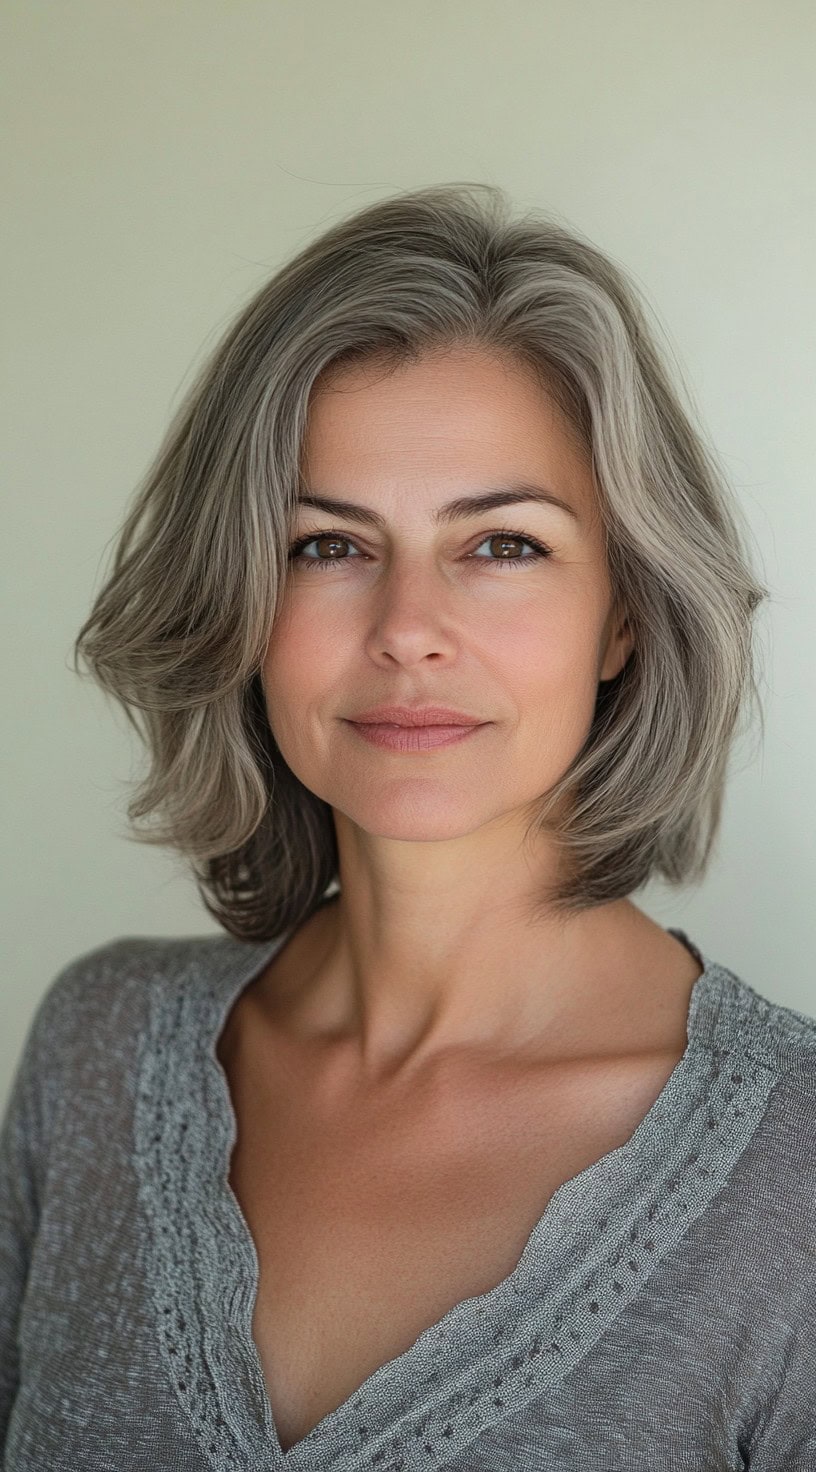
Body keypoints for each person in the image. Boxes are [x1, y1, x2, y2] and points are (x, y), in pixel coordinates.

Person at [1, 182, 813, 1471]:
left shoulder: (796, 1180)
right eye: (327, 546)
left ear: (625, 615)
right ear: (238, 602)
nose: (405, 628)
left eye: (501, 545)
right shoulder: (95, 1054)